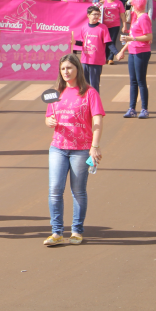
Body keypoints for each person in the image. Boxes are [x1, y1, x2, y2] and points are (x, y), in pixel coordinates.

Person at [43, 54, 105, 246]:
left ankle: (77, 230)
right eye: (63, 69)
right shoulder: (56, 92)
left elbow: (97, 120)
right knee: (55, 190)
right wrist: (49, 121)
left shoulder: (89, 93)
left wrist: (94, 146)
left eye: (69, 68)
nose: (66, 72)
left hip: (81, 149)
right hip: (58, 148)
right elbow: (48, 118)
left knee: (78, 191)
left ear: (78, 68)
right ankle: (56, 232)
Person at [116, 0, 153, 119]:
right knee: (133, 81)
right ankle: (132, 108)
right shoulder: (135, 17)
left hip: (141, 51)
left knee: (141, 80)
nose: (131, 6)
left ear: (136, 5)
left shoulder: (144, 18)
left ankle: (144, 108)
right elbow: (131, 37)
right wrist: (122, 50)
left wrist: (133, 38)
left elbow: (149, 36)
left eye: (132, 5)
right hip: (132, 51)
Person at [72, 6, 117, 93]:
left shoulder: (103, 28)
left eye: (98, 14)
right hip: (85, 60)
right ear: (88, 15)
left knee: (94, 85)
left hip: (96, 61)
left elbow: (109, 42)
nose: (96, 16)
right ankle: (85, 102)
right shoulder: (84, 27)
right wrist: (74, 42)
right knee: (84, 84)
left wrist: (116, 53)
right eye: (94, 14)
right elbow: (83, 42)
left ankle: (95, 103)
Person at [100, 0, 125, 64]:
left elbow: (122, 15)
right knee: (105, 41)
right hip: (104, 25)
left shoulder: (118, 3)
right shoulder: (103, 2)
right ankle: (106, 57)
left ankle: (110, 58)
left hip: (115, 25)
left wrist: (124, 25)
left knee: (112, 41)